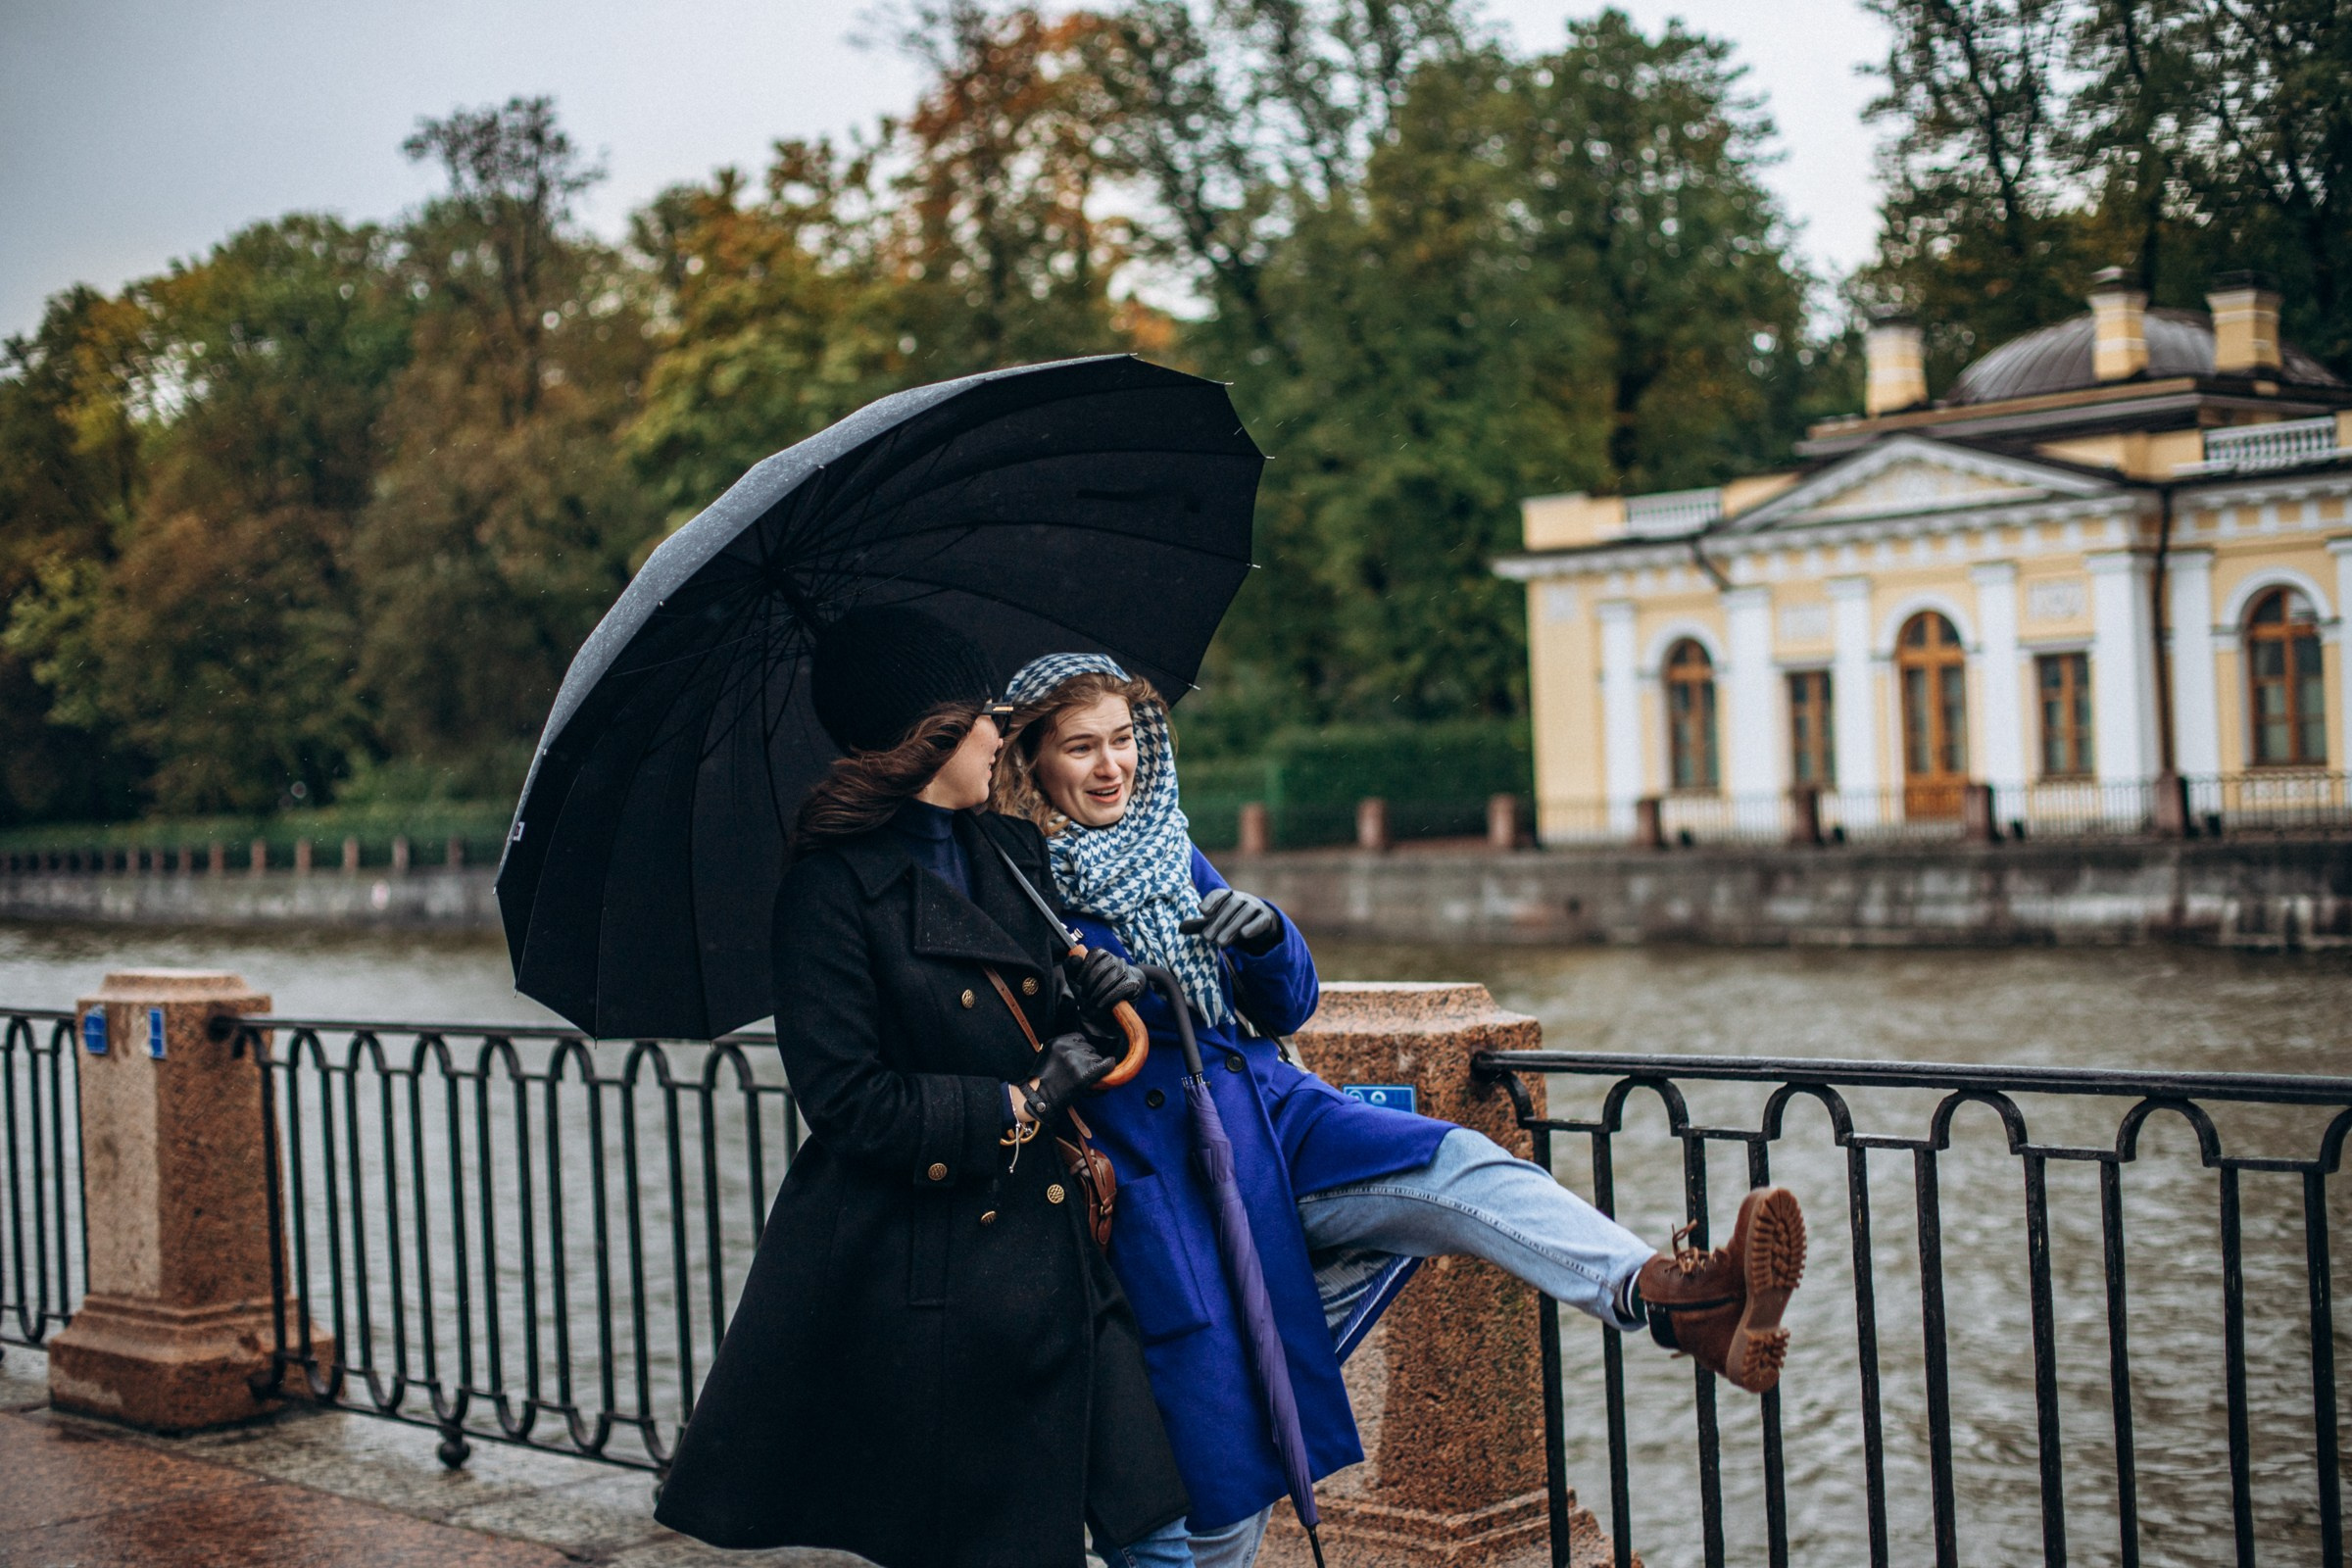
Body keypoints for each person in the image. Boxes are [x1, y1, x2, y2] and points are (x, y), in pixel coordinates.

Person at [993, 653, 1809, 1568]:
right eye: (1080, 747)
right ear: (1032, 759)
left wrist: (1265, 934)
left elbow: (1287, 1006)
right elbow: (1016, 1044)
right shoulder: (1013, 880)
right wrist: (1089, 997)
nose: (1112, 767)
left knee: (1461, 1166)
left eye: (1121, 741)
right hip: (1168, 1177)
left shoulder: (1163, 840)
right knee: (1225, 1478)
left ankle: (1668, 1300)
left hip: (1273, 1115)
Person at [654, 609, 1196, 1568]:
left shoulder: (1011, 851)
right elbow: (848, 1100)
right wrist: (1017, 1106)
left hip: (1064, 1254)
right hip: (947, 1288)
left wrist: (1098, 1000)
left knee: (1161, 1538)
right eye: (985, 716)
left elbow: (1038, 1012)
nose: (1002, 733)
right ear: (932, 733)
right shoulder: (830, 890)